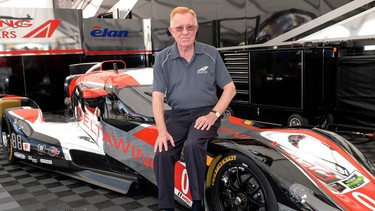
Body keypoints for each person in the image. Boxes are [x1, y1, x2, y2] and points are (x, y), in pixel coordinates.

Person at [152, 6, 236, 211]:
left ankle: (198, 203)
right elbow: (157, 97)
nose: (185, 32)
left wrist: (213, 114)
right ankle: (166, 206)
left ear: (196, 28)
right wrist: (161, 131)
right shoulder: (162, 59)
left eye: (189, 27)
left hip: (205, 113)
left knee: (192, 145)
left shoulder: (211, 53)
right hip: (178, 115)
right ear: (171, 31)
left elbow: (230, 88)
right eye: (179, 28)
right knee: (162, 153)